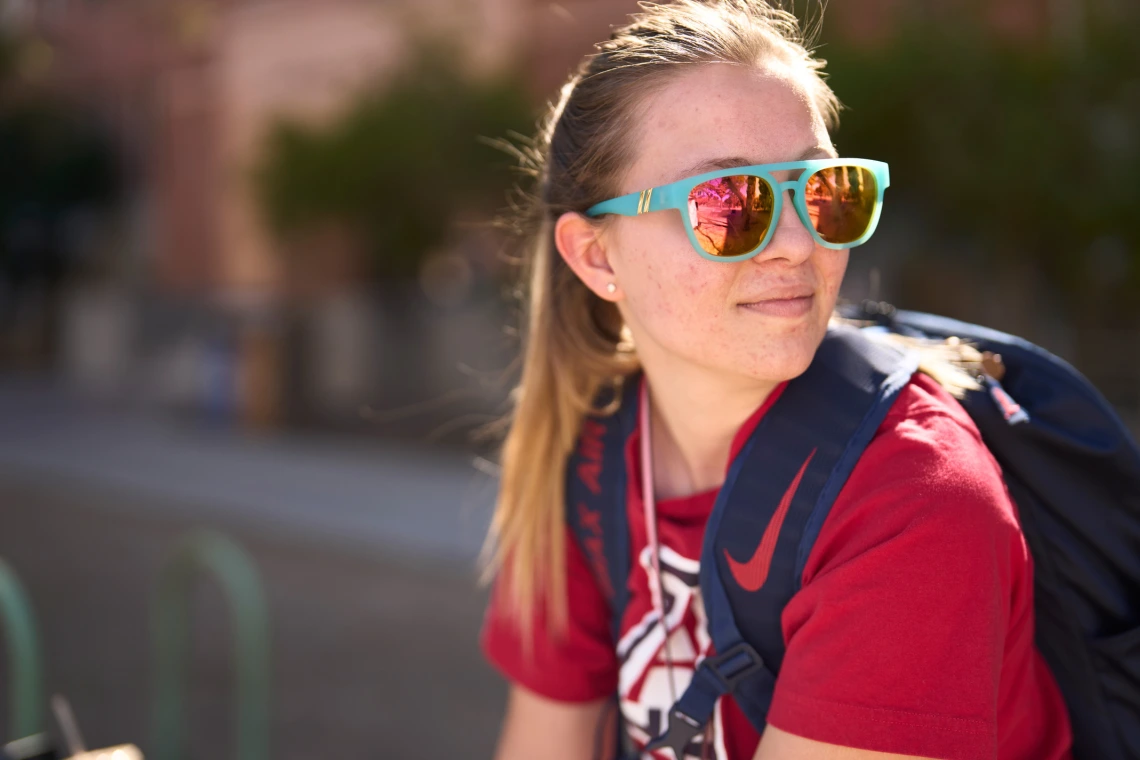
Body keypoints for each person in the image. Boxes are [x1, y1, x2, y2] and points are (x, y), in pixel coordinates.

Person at [478, 1, 1075, 758]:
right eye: (727, 204)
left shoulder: (914, 496)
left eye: (826, 192)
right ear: (597, 257)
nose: (797, 243)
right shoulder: (589, 459)